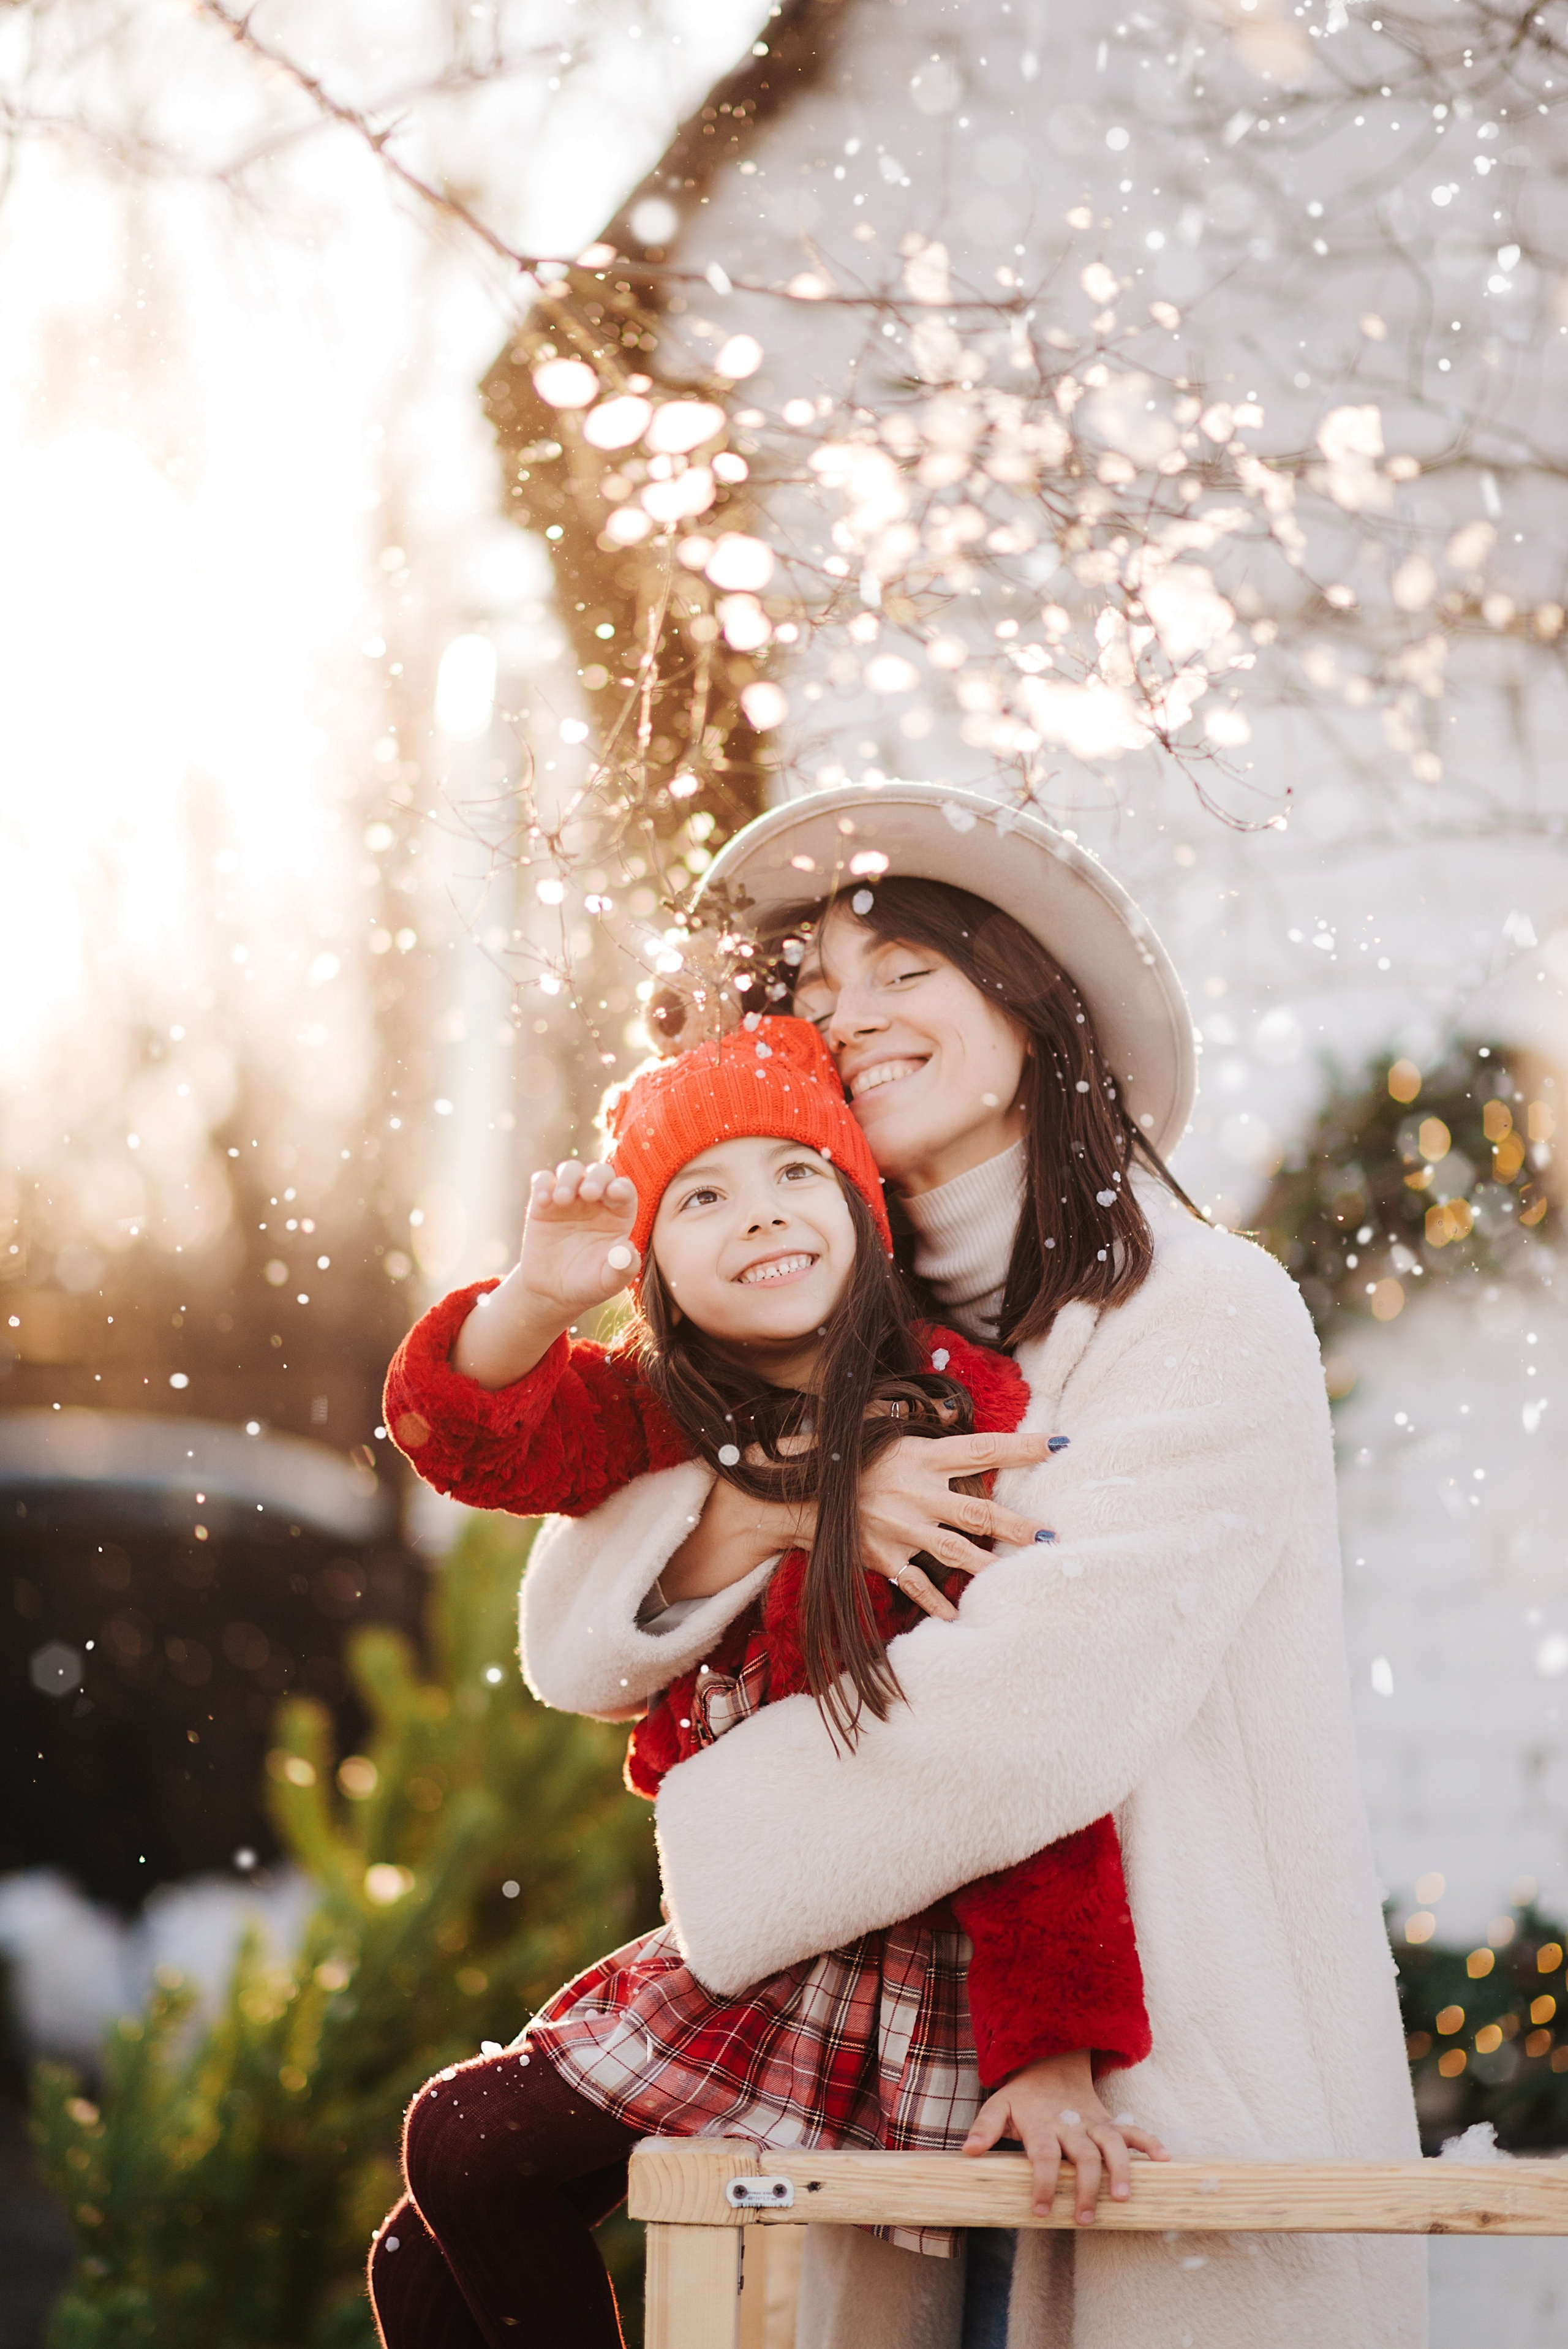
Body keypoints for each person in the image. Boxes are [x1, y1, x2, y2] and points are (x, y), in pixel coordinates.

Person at [517, 785, 1425, 2349]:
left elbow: (1033, 1709)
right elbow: (574, 1641)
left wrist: (714, 1830)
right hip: (875, 2090)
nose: (844, 1014)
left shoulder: (1200, 1312)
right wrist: (797, 1506)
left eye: (900, 969)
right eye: (811, 987)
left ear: (1024, 996)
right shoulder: (797, 1310)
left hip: (1147, 2094)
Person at [370, 1013, 1162, 2349]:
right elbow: (470, 1442)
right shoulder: (665, 1412)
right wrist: (537, 1302)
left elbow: (1014, 1744)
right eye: (702, 1195)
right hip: (759, 1935)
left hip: (876, 1947)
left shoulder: (945, 1417)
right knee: (420, 2252)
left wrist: (1055, 2045)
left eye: (797, 1172)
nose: (760, 1214)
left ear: (860, 1206)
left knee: (468, 2139)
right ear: (658, 1273)